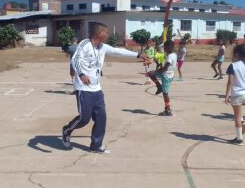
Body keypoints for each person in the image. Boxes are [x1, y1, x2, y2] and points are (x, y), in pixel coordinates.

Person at [62, 22, 143, 154]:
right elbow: (75, 60)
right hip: (83, 88)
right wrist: (81, 74)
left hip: (97, 89)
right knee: (84, 119)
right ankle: (67, 130)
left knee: (101, 118)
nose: (108, 34)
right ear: (99, 33)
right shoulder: (85, 45)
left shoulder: (103, 47)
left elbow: (118, 51)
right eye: (106, 32)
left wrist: (137, 55)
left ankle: (96, 145)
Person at [224, 44, 245, 146]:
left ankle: (239, 139)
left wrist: (227, 95)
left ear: (236, 54)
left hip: (238, 94)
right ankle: (242, 122)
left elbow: (230, 82)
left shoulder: (233, 65)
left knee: (236, 115)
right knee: (238, 111)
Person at [147, 40, 177, 116]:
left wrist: (159, 69)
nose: (164, 49)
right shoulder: (174, 54)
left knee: (165, 93)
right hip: (169, 74)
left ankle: (168, 110)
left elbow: (165, 68)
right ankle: (158, 86)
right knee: (150, 73)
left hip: (166, 76)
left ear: (169, 47)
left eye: (165, 47)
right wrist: (159, 65)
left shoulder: (170, 56)